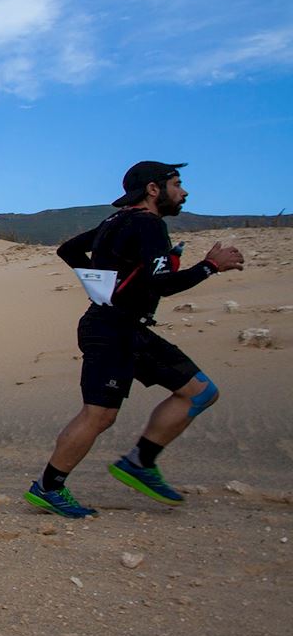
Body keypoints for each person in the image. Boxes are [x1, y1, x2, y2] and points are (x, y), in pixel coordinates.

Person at [25, 162, 244, 518]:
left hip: (125, 328)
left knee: (200, 391)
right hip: (112, 330)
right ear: (153, 189)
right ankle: (49, 487)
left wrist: (103, 287)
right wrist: (209, 266)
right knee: (99, 415)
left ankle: (139, 462)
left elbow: (68, 250)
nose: (184, 192)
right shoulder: (148, 224)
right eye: (177, 184)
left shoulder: (115, 221)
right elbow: (163, 285)